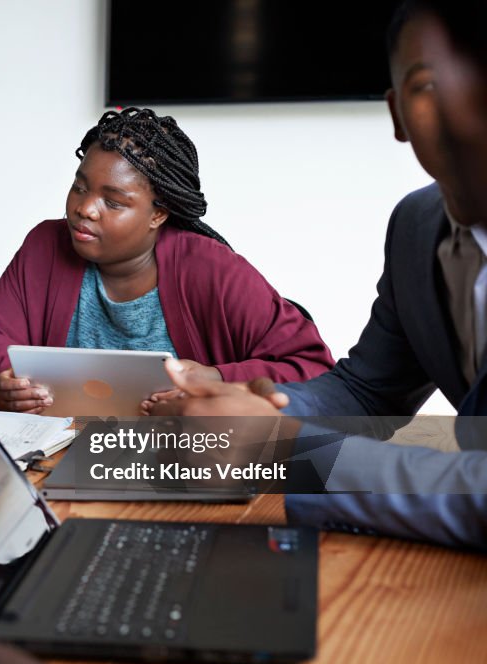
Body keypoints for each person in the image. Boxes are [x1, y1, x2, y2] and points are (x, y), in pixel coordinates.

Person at [153, 0, 487, 550]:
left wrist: (283, 447)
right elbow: (366, 388)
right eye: (428, 84)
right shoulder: (415, 226)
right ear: (397, 114)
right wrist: (252, 408)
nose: (461, 105)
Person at [0, 108, 333, 415]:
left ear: (158, 214)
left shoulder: (213, 270)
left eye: (113, 202)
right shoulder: (45, 247)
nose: (85, 209)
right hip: (60, 458)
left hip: (184, 462)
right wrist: (0, 381)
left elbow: (313, 368)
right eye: (79, 187)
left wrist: (215, 379)